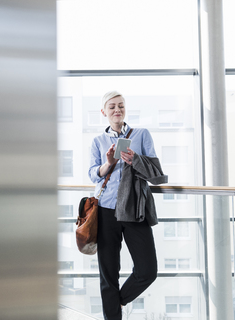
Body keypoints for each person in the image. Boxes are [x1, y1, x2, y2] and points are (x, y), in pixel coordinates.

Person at [88, 91, 168, 320]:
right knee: (108, 274)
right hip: (105, 211)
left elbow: (156, 173)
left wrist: (135, 160)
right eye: (112, 106)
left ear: (125, 109)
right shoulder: (97, 141)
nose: (117, 110)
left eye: (121, 106)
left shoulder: (142, 135)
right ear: (104, 112)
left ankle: (118, 300)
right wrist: (109, 163)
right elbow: (93, 174)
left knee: (147, 270)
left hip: (134, 209)